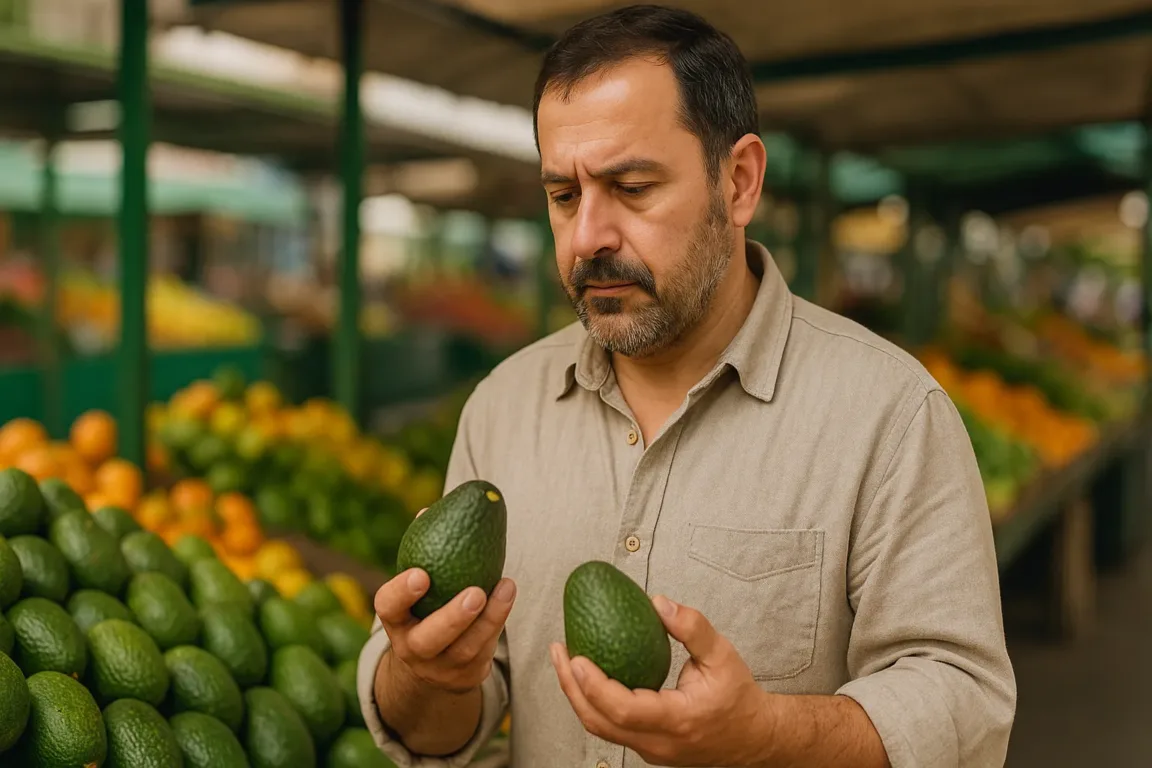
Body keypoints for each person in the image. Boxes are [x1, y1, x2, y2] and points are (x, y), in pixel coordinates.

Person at [357, 5, 1016, 767]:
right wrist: (423, 676)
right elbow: (444, 731)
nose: (588, 238)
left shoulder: (889, 415)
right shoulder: (502, 409)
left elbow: (963, 702)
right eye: (564, 197)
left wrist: (765, 736)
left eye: (632, 187)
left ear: (738, 183)